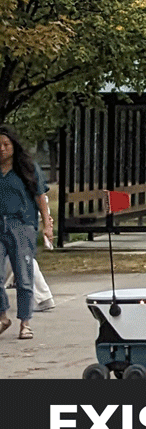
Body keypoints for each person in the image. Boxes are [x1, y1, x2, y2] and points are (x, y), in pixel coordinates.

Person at [0, 126, 53, 338]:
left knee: (23, 275)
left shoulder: (27, 169)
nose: (2, 149)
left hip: (22, 225)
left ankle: (25, 322)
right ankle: (3, 316)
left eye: (6, 144)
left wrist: (47, 225)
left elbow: (41, 197)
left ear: (14, 145)